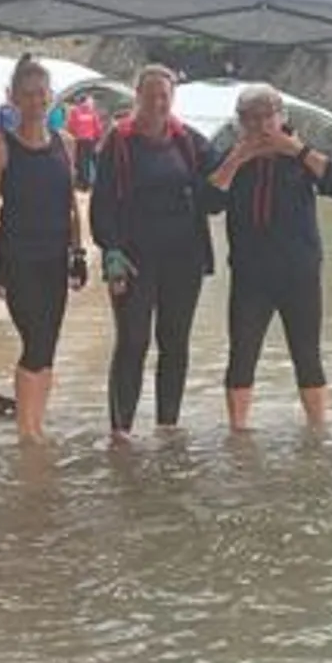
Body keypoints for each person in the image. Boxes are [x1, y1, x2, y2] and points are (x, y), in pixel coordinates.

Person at [209, 84, 332, 432]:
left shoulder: (300, 154)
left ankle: (317, 430)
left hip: (298, 270)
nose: (261, 126)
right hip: (250, 273)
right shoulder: (232, 156)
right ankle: (238, 431)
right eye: (251, 118)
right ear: (240, 122)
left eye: (267, 117)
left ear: (281, 117)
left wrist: (296, 150)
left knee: (307, 354)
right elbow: (208, 202)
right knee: (242, 353)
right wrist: (237, 160)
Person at [90, 64, 223, 442]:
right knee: (133, 341)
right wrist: (111, 251)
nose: (158, 103)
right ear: (138, 97)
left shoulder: (188, 140)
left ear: (172, 98)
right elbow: (102, 205)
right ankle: (121, 431)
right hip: (134, 259)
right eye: (150, 96)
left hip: (184, 258)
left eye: (164, 96)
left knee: (175, 342)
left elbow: (219, 184)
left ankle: (168, 426)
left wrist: (260, 146)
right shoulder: (119, 141)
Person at [0, 56, 88, 442]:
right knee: (35, 340)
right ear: (13, 98)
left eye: (41, 94)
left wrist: (78, 253)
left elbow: (71, 204)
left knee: (49, 342)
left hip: (55, 255)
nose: (36, 101)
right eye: (27, 94)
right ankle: (27, 431)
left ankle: (36, 423)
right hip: (17, 256)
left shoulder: (66, 144)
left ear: (51, 96)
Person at [66, 95, 102, 190]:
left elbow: (71, 125)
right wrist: (98, 137)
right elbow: (97, 126)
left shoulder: (76, 111)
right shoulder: (92, 112)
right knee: (89, 161)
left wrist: (72, 135)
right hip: (90, 139)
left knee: (82, 161)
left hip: (80, 140)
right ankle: (91, 182)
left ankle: (84, 182)